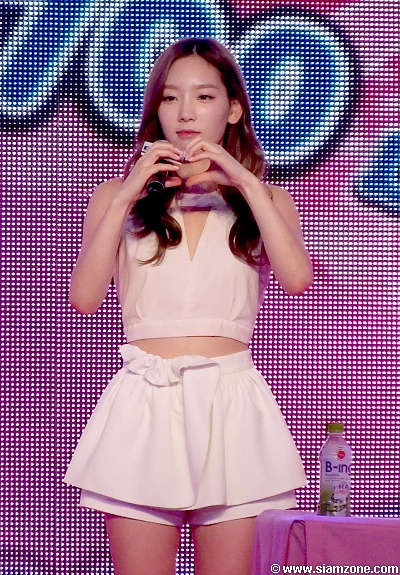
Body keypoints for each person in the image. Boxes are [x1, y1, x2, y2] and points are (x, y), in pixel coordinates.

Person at [64, 37, 314, 575]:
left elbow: (297, 279)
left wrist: (244, 181)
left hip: (231, 403)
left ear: (233, 109)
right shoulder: (116, 196)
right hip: (146, 401)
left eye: (204, 97)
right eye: (171, 97)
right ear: (156, 109)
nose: (186, 113)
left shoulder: (266, 199)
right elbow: (84, 298)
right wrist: (129, 192)